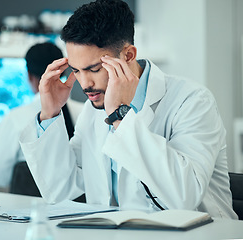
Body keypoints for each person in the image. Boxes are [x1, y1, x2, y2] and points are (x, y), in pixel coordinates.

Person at [19, 0, 238, 219]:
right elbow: (61, 190)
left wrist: (119, 116)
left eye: (94, 69)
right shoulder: (92, 109)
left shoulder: (192, 101)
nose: (85, 84)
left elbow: (185, 196)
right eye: (76, 70)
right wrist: (50, 114)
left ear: (129, 56)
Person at [0, 42, 84, 189]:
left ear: (29, 75)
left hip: (30, 208)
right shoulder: (86, 112)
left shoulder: (15, 119)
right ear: (64, 71)